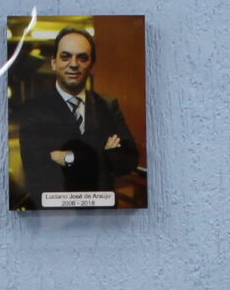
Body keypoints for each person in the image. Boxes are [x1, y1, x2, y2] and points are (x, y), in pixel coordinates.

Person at [12, 25, 141, 204]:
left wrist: (68, 157)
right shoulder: (34, 109)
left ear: (92, 65)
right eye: (66, 57)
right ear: (53, 63)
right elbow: (37, 167)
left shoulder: (108, 106)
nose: (73, 64)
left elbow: (129, 161)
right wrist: (104, 156)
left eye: (82, 57)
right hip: (57, 212)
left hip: (100, 212)